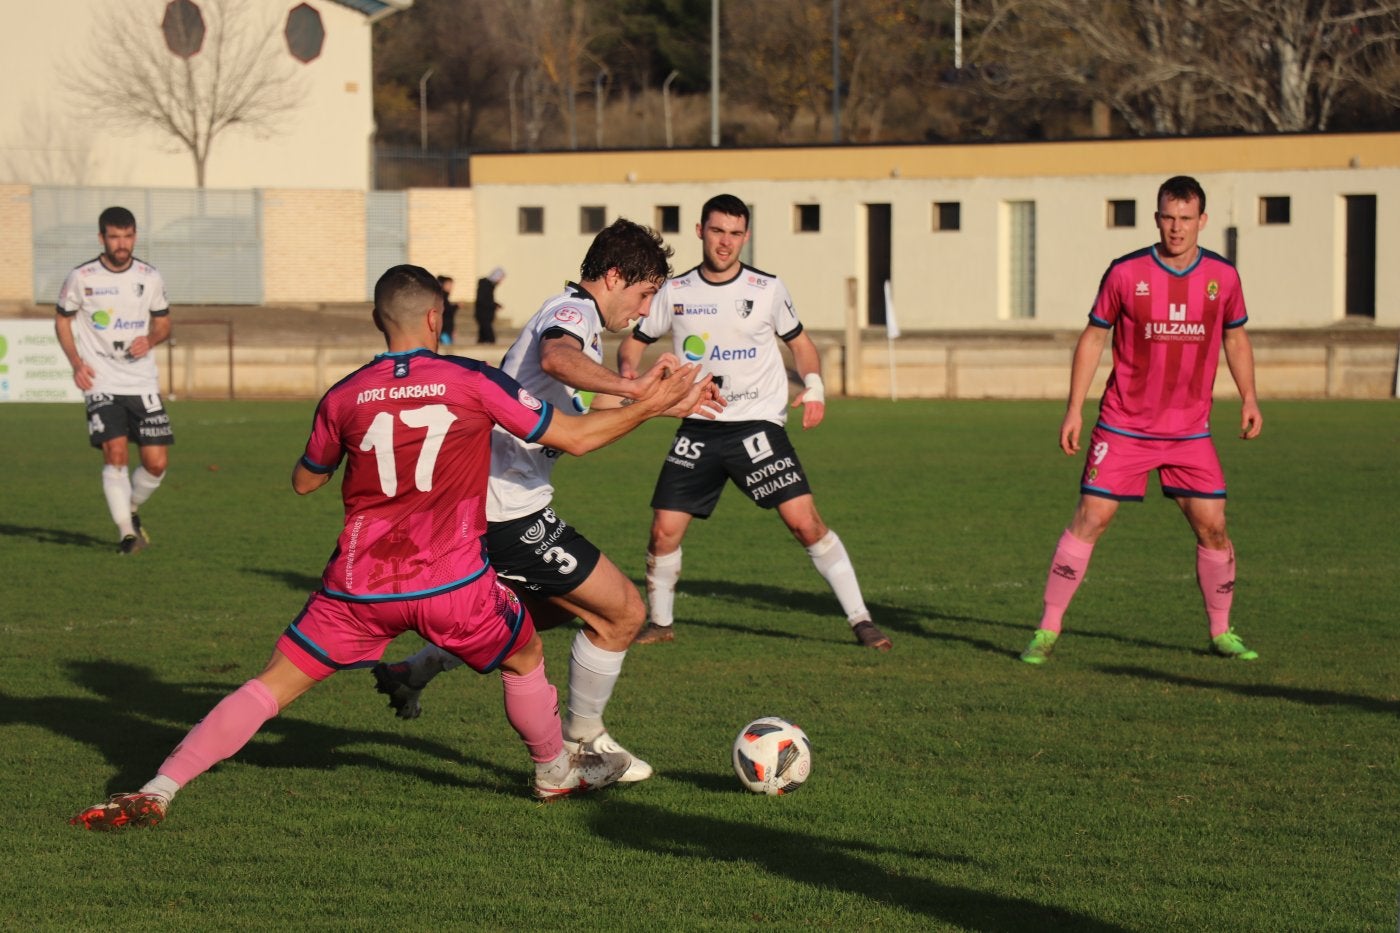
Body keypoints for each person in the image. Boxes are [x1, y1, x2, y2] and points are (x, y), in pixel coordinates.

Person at [70, 265, 713, 830]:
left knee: (268, 690)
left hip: (357, 588)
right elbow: (572, 436)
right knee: (525, 658)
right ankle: (552, 771)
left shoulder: (343, 395)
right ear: (436, 315)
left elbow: (304, 482)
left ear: (381, 320)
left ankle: (158, 788)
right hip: (453, 584)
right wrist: (651, 404)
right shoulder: (471, 380)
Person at [372, 220, 722, 784]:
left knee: (561, 607)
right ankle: (581, 745)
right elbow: (559, 359)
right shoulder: (573, 313)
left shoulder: (574, 316)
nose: (644, 308)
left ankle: (422, 666)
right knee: (624, 612)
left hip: (506, 502)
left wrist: (658, 402)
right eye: (645, 292)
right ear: (613, 276)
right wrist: (639, 392)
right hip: (504, 510)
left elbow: (578, 423)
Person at [617, 193, 891, 651]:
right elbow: (632, 344)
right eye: (718, 230)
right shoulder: (675, 291)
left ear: (746, 236)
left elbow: (801, 345)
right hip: (699, 424)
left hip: (756, 425)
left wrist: (816, 386)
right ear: (700, 231)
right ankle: (661, 623)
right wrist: (632, 376)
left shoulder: (767, 289)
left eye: (736, 233)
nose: (726, 242)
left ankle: (861, 620)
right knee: (663, 530)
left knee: (805, 523)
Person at [1018, 175, 1263, 665]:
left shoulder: (1224, 277)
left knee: (1212, 525)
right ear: (1157, 219)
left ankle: (1221, 633)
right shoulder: (1126, 273)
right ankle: (1047, 629)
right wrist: (1074, 407)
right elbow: (1093, 337)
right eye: (1168, 218)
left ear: (1202, 221)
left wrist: (1250, 398)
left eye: (1186, 219)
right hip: (1123, 424)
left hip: (1189, 430)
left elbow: (1235, 338)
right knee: (1092, 517)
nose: (1177, 228)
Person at [54, 206, 173, 555]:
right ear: (102, 238)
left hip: (142, 383)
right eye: (114, 236)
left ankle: (131, 507)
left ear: (135, 236)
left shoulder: (149, 277)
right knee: (116, 453)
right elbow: (62, 320)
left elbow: (164, 323)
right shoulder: (82, 277)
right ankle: (127, 535)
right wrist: (76, 362)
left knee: (156, 464)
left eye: (127, 236)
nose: (122, 244)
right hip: (101, 382)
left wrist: (149, 340)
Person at [475, 266, 505, 344]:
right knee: (490, 337)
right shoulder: (485, 286)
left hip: (486, 314)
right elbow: (483, 300)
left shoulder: (490, 286)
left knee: (483, 337)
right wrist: (493, 305)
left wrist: (495, 304)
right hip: (483, 314)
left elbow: (488, 299)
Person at [437, 274, 458, 346]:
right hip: (444, 330)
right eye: (449, 284)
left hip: (447, 329)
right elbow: (447, 313)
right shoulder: (442, 298)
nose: (451, 287)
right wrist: (456, 306)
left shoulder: (445, 298)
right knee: (447, 349)